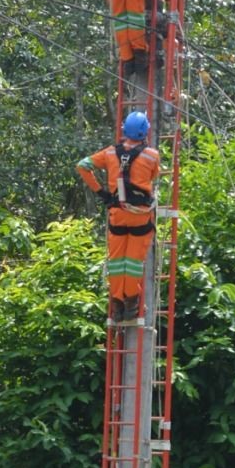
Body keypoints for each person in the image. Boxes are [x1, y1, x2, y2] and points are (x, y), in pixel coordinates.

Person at [76, 111, 160, 326]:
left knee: (116, 262)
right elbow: (153, 176)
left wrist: (101, 192)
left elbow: (83, 165)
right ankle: (132, 305)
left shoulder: (110, 153)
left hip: (118, 214)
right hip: (139, 216)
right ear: (145, 132)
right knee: (132, 262)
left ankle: (117, 304)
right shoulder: (152, 155)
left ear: (124, 130)